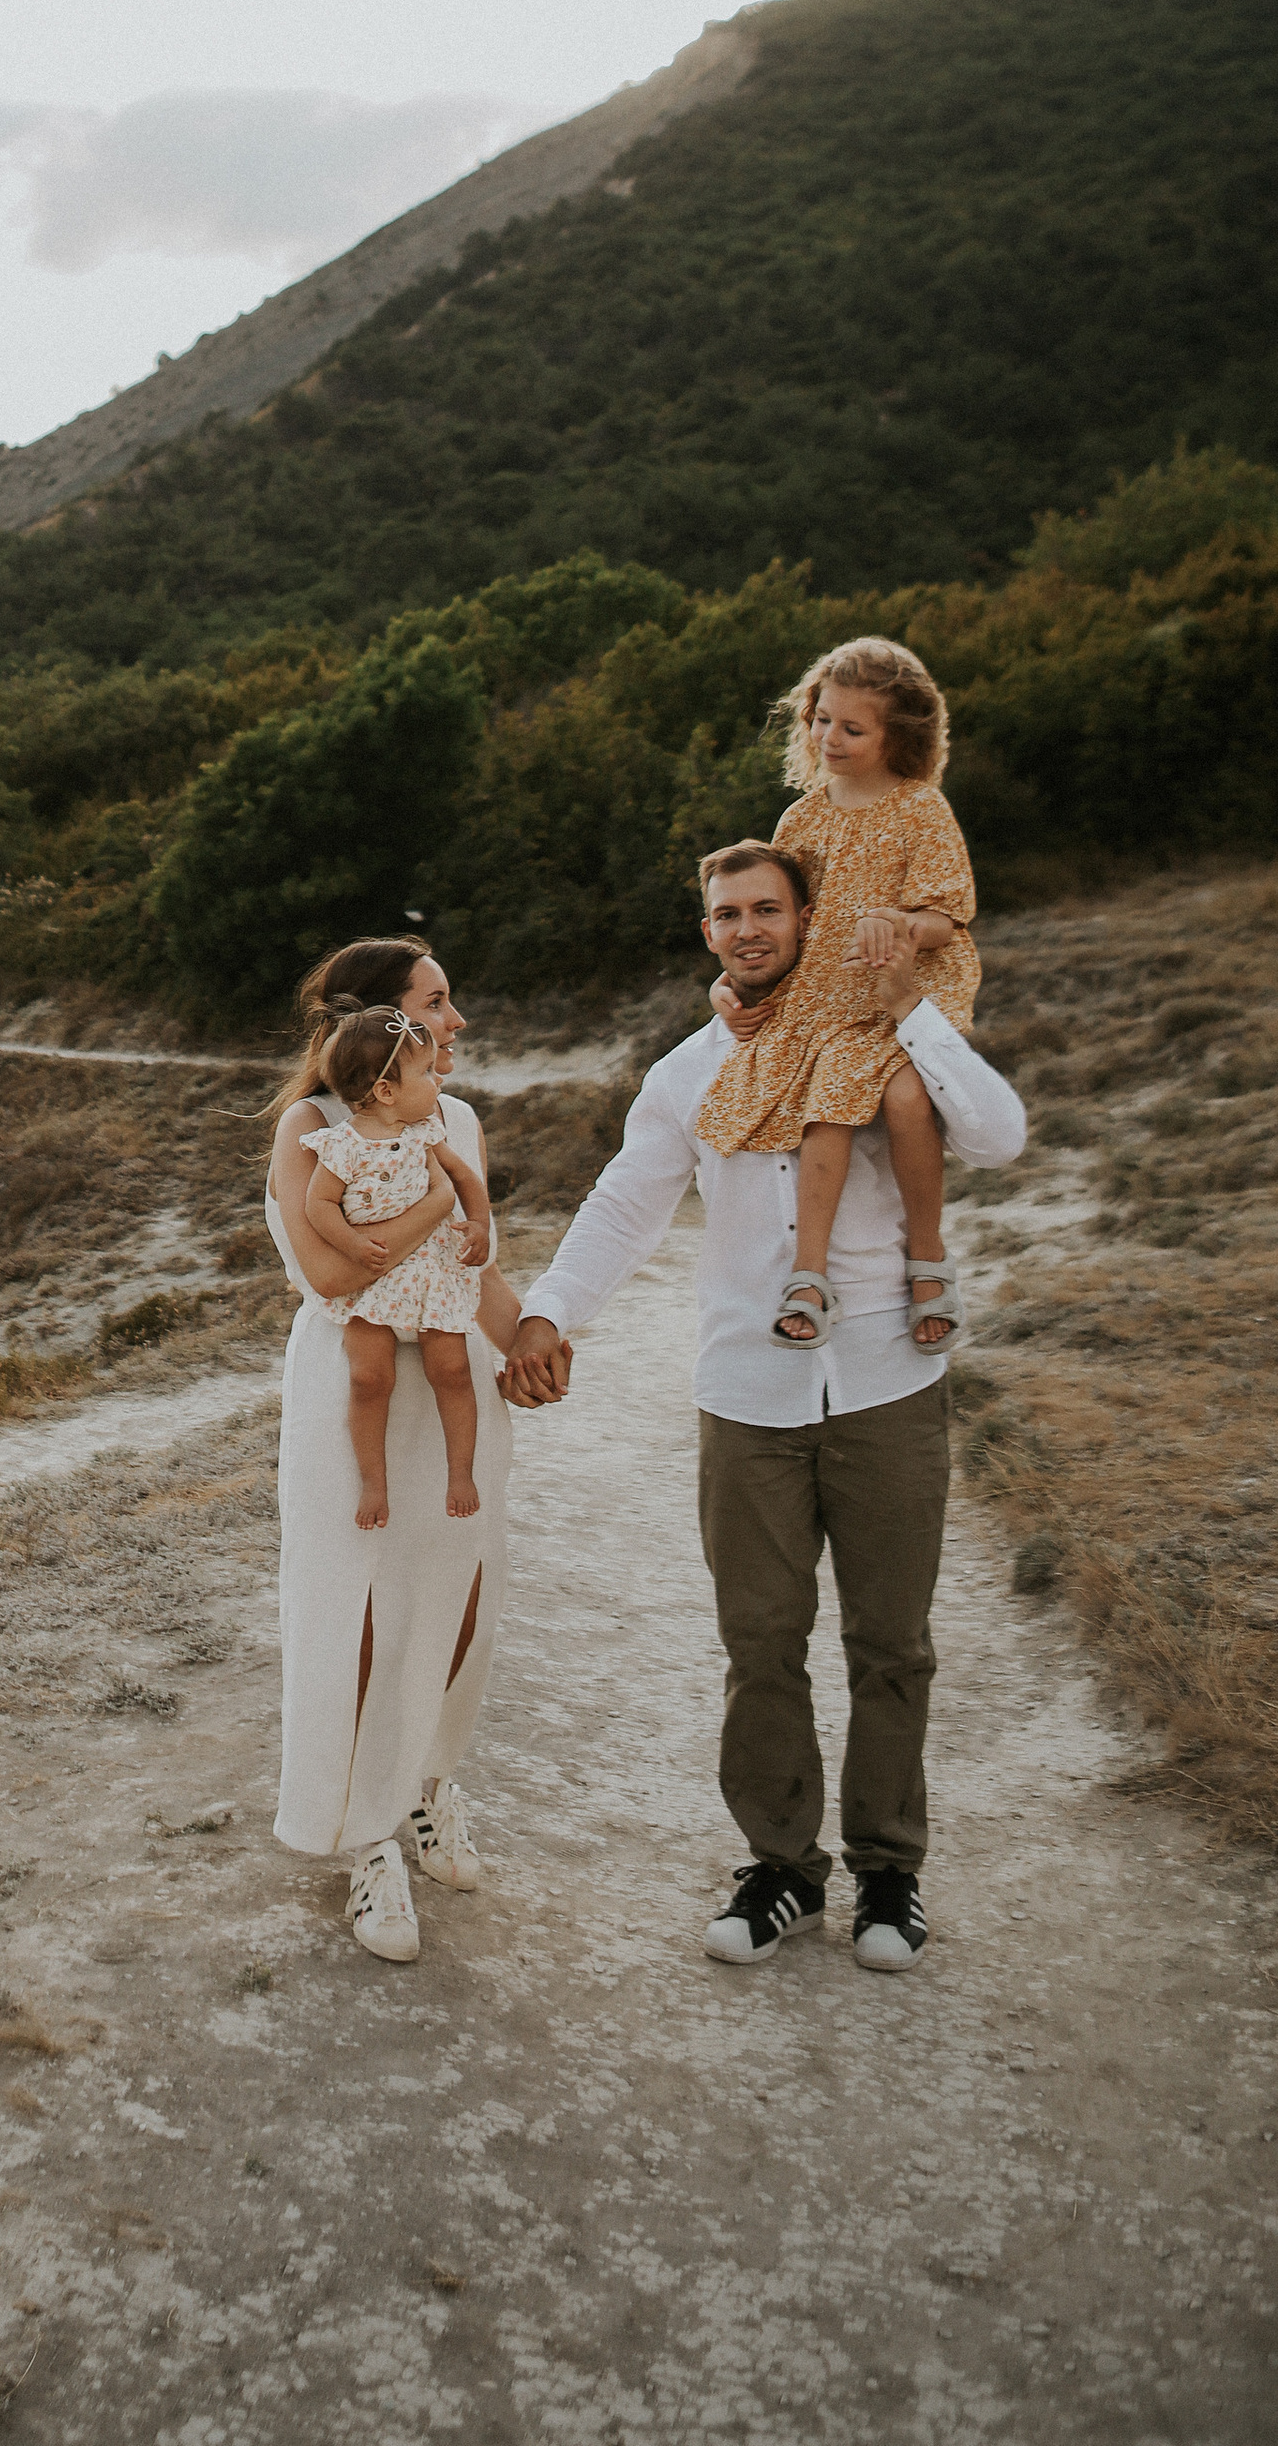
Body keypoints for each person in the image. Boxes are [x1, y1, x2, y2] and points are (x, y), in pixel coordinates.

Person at [501, 840, 1025, 1976]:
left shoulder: (884, 1041)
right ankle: (782, 1868)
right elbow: (624, 1204)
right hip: (746, 1397)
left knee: (892, 1644)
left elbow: (997, 1136)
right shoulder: (686, 1072)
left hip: (888, 1380)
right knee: (759, 1644)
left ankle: (890, 1871)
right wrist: (550, 1310)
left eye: (766, 910)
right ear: (706, 934)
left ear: (806, 917)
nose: (746, 929)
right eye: (725, 914)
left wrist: (910, 1011)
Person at [266, 936, 534, 1964]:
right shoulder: (309, 1128)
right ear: (383, 1031)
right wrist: (434, 1204)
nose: (456, 1024)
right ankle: (360, 1836)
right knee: (358, 1608)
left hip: (453, 1366)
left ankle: (426, 1789)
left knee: (462, 1594)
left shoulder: (453, 1114)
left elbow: (476, 1264)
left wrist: (532, 1343)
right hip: (355, 1390)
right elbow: (332, 1280)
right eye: (436, 1006)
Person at [697, 640, 979, 1352]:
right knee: (828, 1095)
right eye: (821, 721)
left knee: (908, 1098)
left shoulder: (921, 808)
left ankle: (927, 1258)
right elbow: (776, 922)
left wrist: (900, 927)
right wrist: (727, 984)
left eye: (852, 729)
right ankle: (810, 1273)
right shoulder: (801, 820)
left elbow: (947, 916)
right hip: (823, 990)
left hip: (903, 989)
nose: (829, 739)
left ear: (898, 736)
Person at [290, 1000, 515, 1526]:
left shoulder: (426, 1134)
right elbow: (317, 1205)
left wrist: (479, 1224)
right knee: (370, 1378)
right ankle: (374, 1484)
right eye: (427, 1073)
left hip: (433, 1271)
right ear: (386, 1091)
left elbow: (465, 1182)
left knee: (453, 1370)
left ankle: (460, 1473)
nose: (438, 1083)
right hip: (375, 1280)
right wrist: (349, 1244)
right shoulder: (339, 1146)